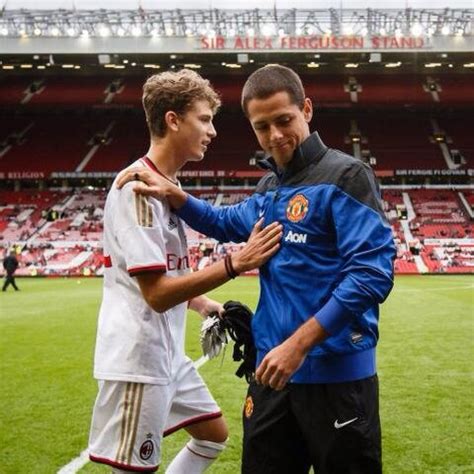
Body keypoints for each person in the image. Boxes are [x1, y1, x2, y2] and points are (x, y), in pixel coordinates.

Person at [117, 64, 396, 474]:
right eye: (262, 127)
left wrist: (299, 345)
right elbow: (224, 221)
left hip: (338, 382)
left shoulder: (347, 176)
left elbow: (371, 274)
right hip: (271, 379)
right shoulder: (269, 190)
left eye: (284, 120)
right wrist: (175, 194)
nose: (275, 136)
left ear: (307, 109)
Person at [88, 69, 282, 474]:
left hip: (166, 353)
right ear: (173, 120)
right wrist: (235, 263)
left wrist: (204, 304)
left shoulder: (165, 187)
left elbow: (169, 274)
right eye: (205, 119)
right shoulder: (139, 191)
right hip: (138, 357)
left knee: (214, 434)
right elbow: (157, 294)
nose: (212, 131)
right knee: (134, 469)